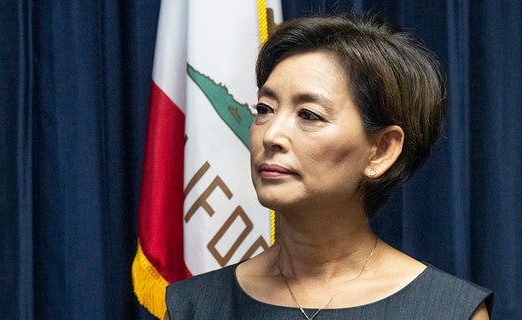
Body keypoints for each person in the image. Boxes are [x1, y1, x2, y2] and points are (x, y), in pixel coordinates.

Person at [165, 13, 493, 320]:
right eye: (265, 108)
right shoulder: (195, 306)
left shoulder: (447, 311)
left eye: (308, 115)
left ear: (381, 151)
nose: (272, 136)